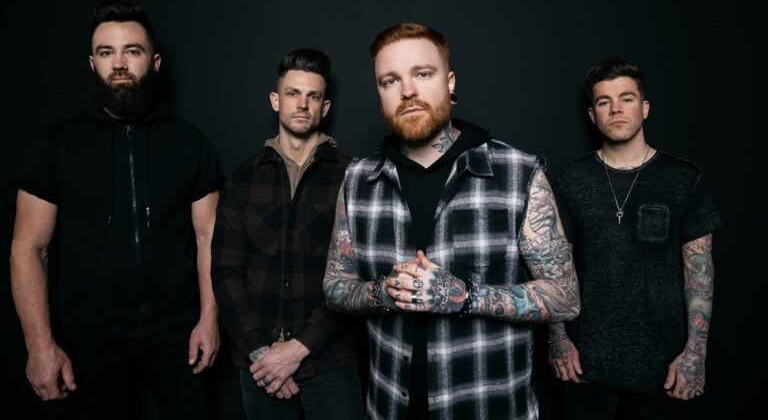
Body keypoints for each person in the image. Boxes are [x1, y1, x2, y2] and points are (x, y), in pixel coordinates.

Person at [323, 22, 580, 420]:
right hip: (389, 407)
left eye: (423, 74)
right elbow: (335, 286)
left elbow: (565, 296)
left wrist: (465, 297)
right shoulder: (358, 180)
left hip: (490, 408)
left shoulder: (518, 173)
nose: (407, 91)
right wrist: (380, 293)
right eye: (390, 80)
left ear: (450, 82)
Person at [10, 0, 223, 419]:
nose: (120, 63)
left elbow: (209, 238)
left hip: (176, 332)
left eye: (133, 51)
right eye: (107, 52)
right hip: (89, 338)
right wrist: (39, 345)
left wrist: (209, 319)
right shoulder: (56, 146)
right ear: (93, 64)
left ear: (155, 62)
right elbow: (28, 249)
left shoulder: (190, 145)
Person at [547, 58, 722, 419]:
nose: (616, 109)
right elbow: (553, 266)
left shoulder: (684, 178)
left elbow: (700, 273)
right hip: (584, 365)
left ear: (644, 108)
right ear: (592, 115)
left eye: (626, 99)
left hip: (666, 368)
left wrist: (695, 353)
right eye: (604, 101)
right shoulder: (570, 180)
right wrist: (558, 339)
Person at [211, 48, 365, 420]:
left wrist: (298, 348)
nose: (302, 104)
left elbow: (359, 276)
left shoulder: (355, 177)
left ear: (325, 107)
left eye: (313, 96)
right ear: (275, 100)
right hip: (259, 366)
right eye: (293, 93)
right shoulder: (243, 180)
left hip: (331, 361)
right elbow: (226, 272)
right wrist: (263, 355)